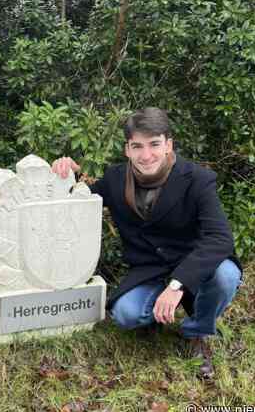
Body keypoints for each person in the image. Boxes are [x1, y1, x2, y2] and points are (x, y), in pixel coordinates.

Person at [52, 107, 242, 379]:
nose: (146, 155)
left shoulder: (197, 180)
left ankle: (196, 332)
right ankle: (155, 314)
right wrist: (64, 174)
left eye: (154, 144)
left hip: (194, 270)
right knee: (126, 316)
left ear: (168, 145)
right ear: (127, 149)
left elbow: (220, 238)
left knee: (226, 275)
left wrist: (178, 285)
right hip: (149, 271)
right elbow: (78, 203)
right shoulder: (115, 178)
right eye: (137, 146)